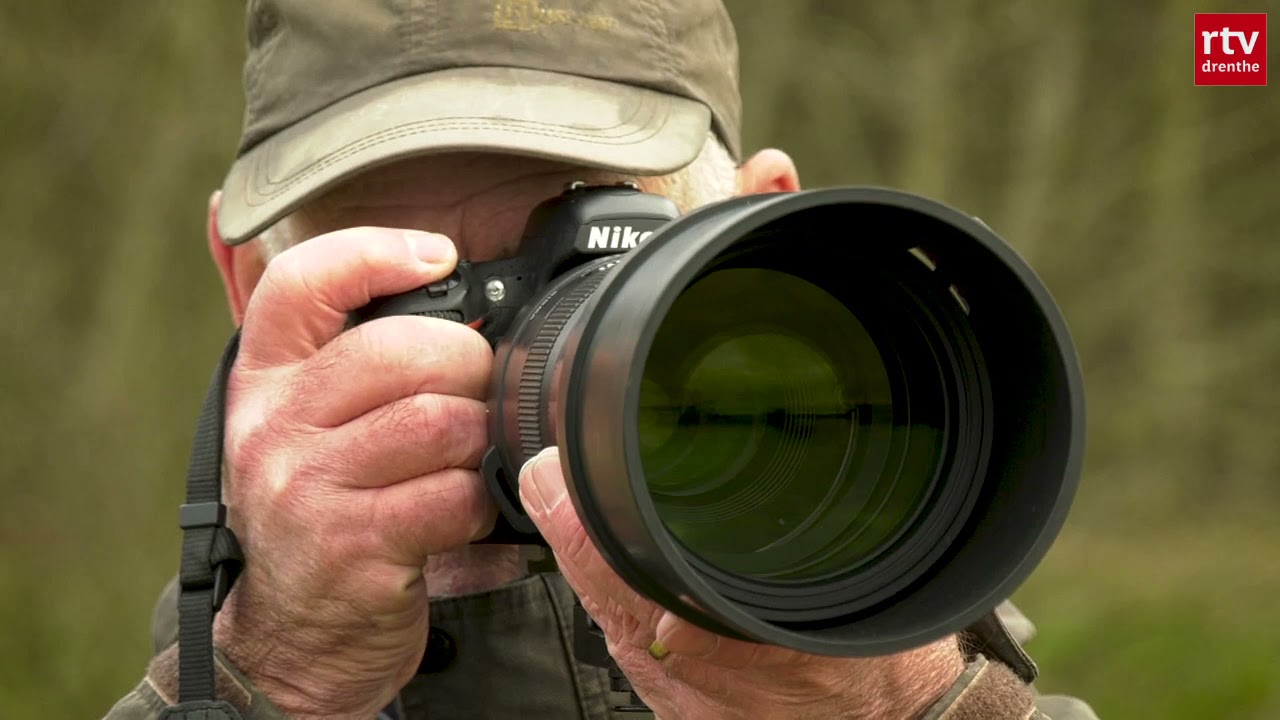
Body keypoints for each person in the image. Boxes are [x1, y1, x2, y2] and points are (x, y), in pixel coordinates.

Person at [106, 1, 1099, 718]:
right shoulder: (264, 671)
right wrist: (272, 675)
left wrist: (902, 703)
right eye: (419, 294)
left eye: (593, 264)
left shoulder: (893, 624)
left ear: (759, 218)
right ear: (252, 289)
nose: (507, 362)